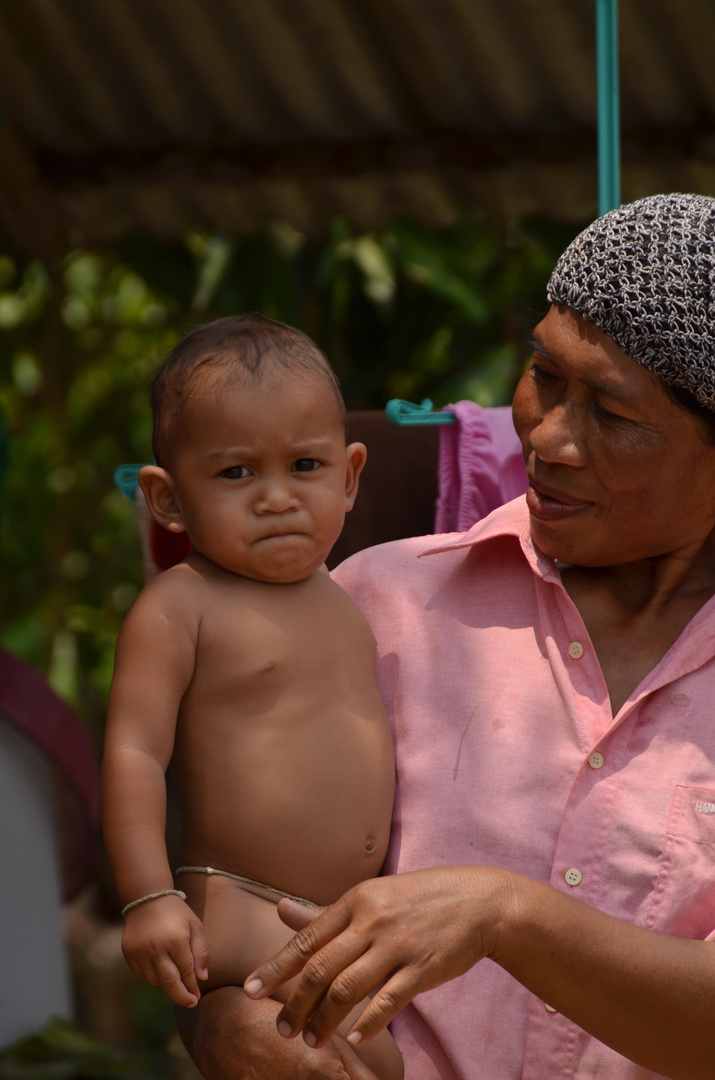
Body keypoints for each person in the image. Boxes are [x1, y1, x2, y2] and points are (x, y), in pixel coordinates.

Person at [176, 193, 715, 1080]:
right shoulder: (374, 609)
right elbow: (240, 902)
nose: (547, 436)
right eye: (544, 373)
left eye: (612, 416)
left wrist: (507, 915)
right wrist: (226, 1022)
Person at [101, 315, 403, 1080]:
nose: (276, 498)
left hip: (337, 919)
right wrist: (146, 897)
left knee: (382, 1069)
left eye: (304, 465)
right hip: (241, 907)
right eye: (236, 474)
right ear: (168, 499)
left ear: (349, 475)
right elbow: (134, 752)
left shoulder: (348, 595)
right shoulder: (181, 605)